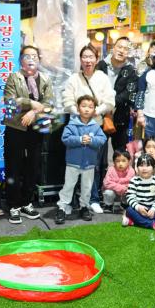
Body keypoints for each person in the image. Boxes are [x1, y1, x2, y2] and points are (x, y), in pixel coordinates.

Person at [61, 45, 115, 213]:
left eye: (91, 57)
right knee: (73, 166)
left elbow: (110, 101)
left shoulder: (102, 77)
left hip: (95, 124)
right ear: (80, 59)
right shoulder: (74, 78)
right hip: (76, 125)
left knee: (94, 165)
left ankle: (92, 199)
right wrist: (79, 112)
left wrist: (95, 112)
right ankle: (69, 202)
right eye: (84, 57)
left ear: (97, 59)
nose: (88, 60)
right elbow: (67, 100)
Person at [2, 45, 50, 225]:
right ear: (21, 59)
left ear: (39, 59)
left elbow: (48, 104)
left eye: (34, 56)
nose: (31, 59)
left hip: (36, 129)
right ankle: (13, 204)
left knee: (33, 166)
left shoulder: (45, 78)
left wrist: (33, 113)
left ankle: (27, 202)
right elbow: (9, 103)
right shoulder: (14, 78)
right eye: (27, 56)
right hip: (16, 128)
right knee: (13, 166)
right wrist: (31, 103)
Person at [54, 95, 107, 224]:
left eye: (90, 107)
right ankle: (62, 207)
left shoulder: (95, 126)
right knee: (68, 186)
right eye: (83, 106)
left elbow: (102, 139)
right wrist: (79, 139)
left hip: (89, 164)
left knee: (87, 187)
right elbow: (65, 139)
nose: (87, 109)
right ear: (78, 108)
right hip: (73, 163)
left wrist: (91, 140)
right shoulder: (71, 125)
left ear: (94, 110)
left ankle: (84, 207)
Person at [96, 36, 138, 151]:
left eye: (126, 49)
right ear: (113, 48)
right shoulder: (100, 66)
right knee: (98, 152)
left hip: (121, 118)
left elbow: (128, 94)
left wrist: (108, 104)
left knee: (120, 154)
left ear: (129, 53)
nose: (121, 51)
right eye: (119, 47)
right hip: (99, 116)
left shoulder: (131, 71)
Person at [123, 154, 155, 232]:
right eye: (141, 165)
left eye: (148, 165)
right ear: (137, 168)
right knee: (129, 210)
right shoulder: (134, 180)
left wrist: (153, 209)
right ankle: (153, 225)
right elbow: (130, 197)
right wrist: (138, 207)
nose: (144, 168)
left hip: (152, 209)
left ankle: (134, 222)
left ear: (154, 168)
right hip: (138, 209)